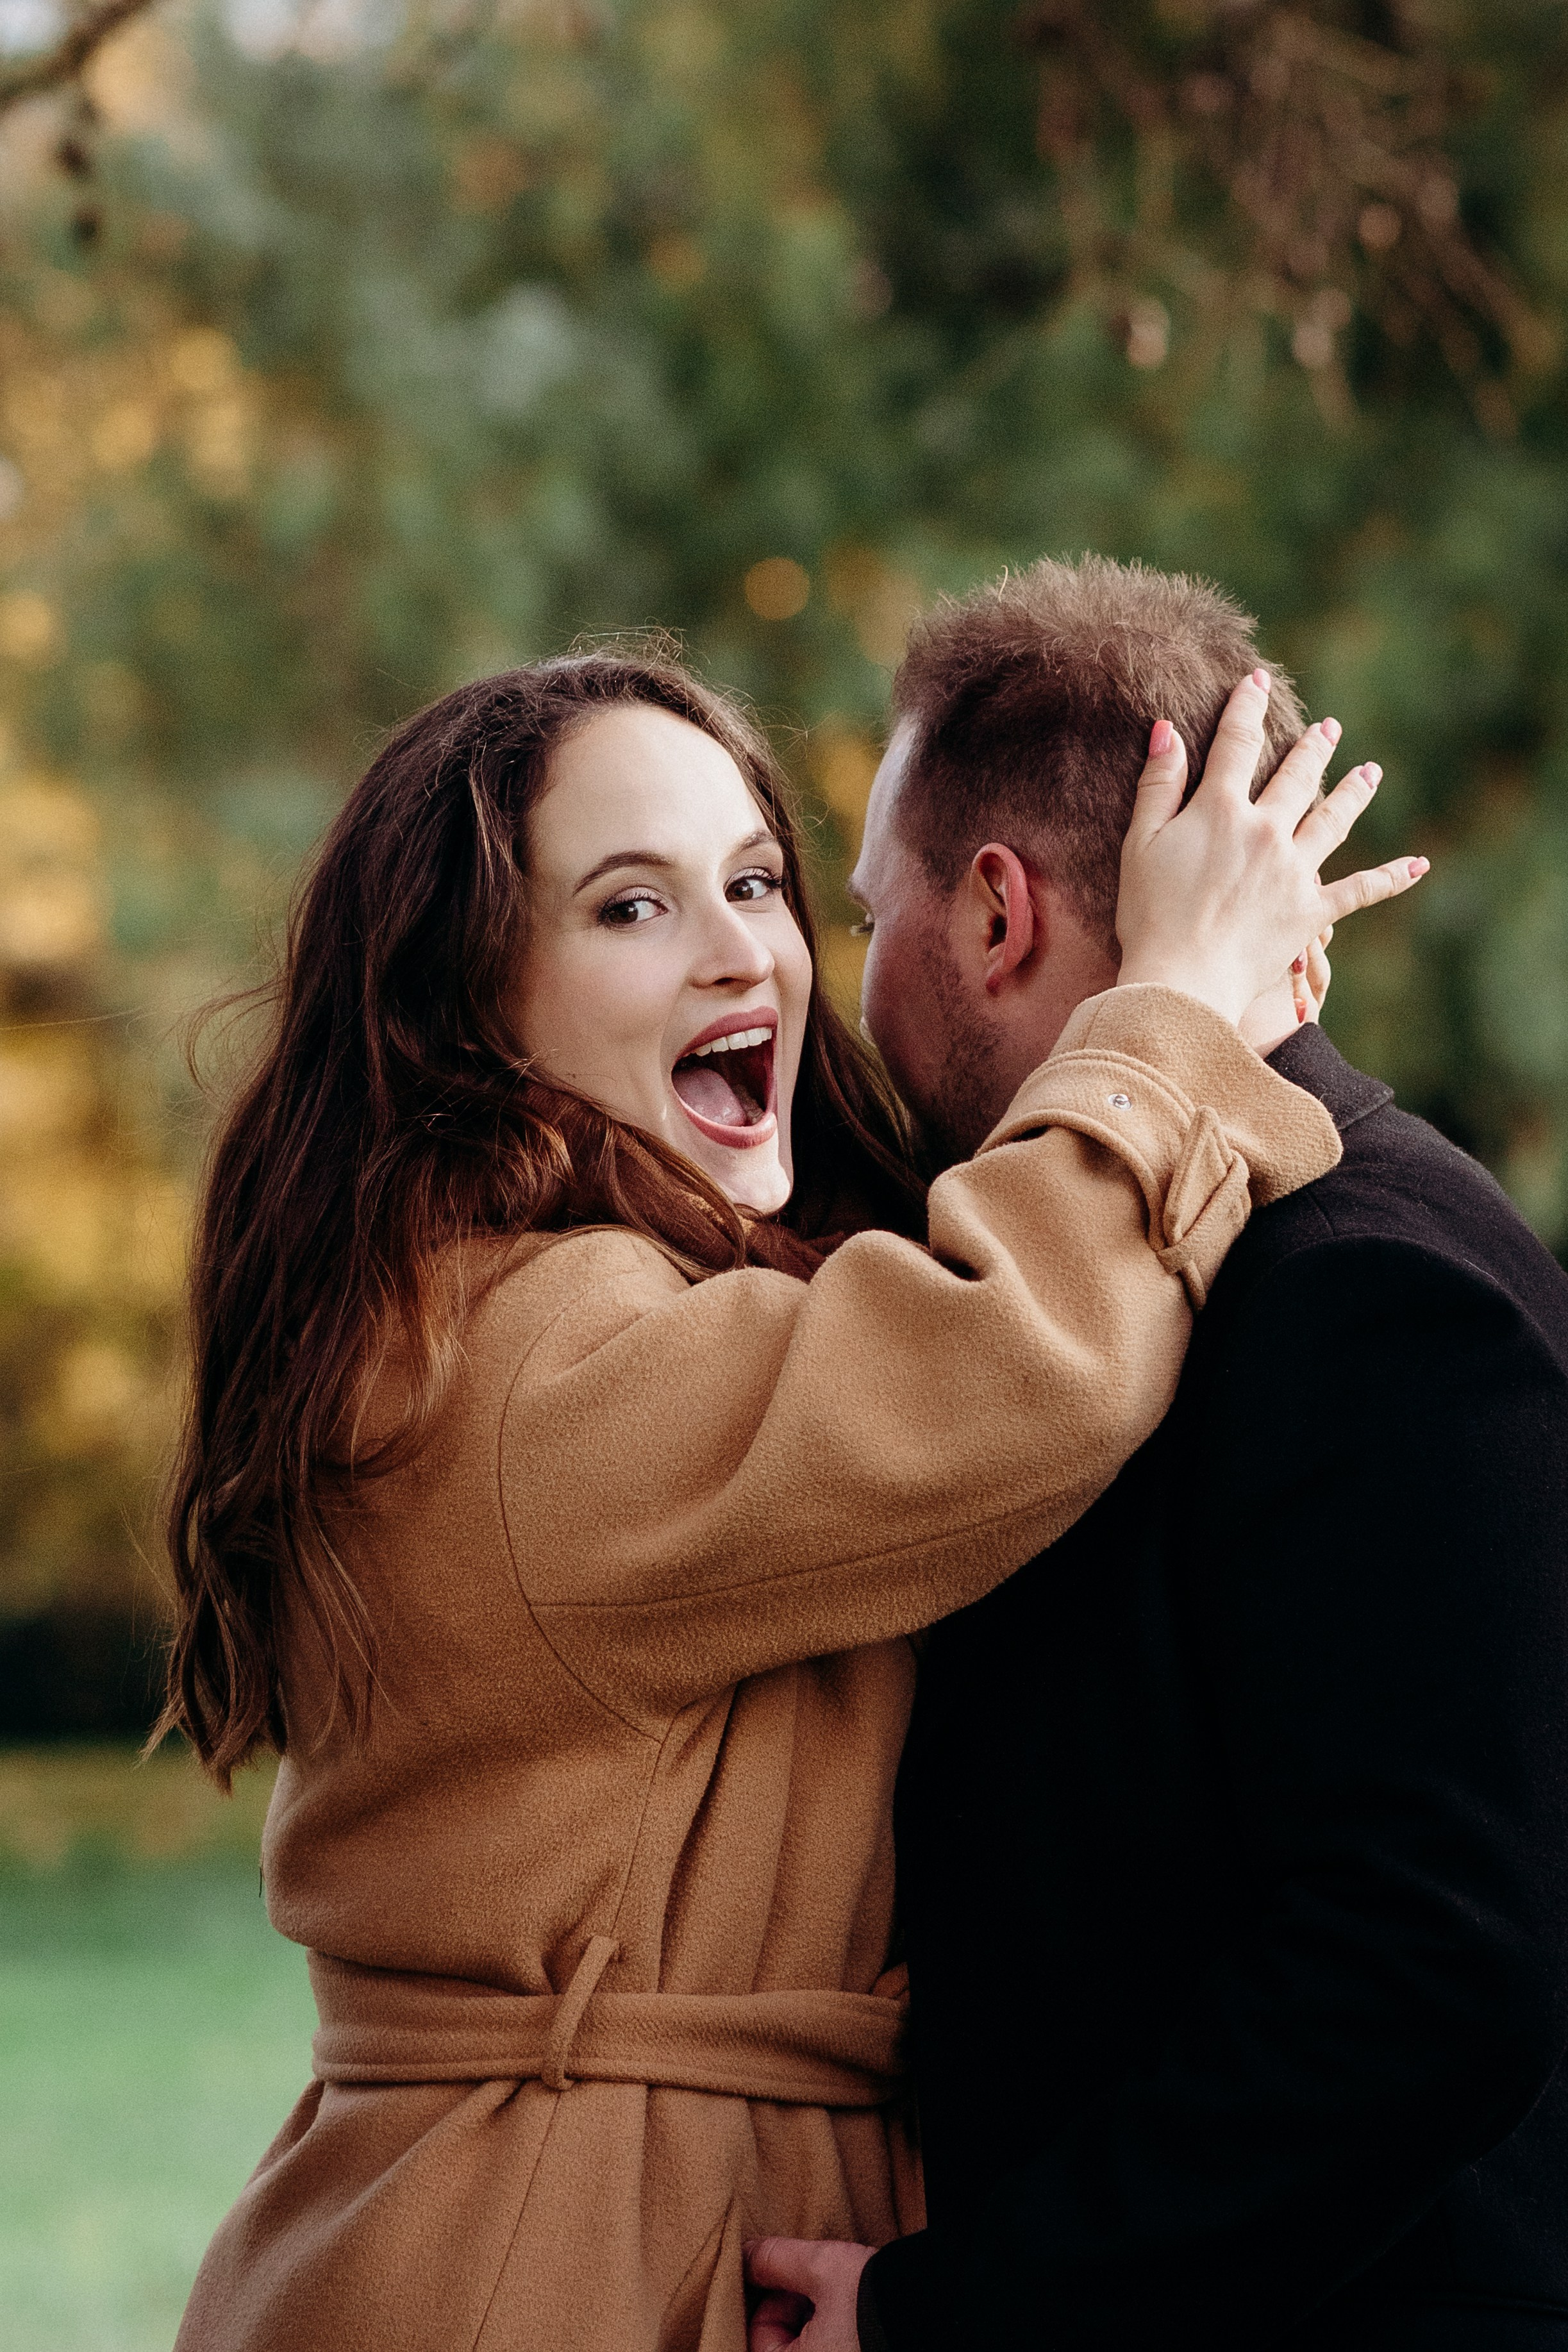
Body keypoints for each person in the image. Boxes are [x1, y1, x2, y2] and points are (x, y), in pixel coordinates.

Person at [158, 641, 1410, 2352]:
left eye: (755, 881)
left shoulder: (558, 1307)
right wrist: (1176, 1011)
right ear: (469, 1005)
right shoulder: (524, 1360)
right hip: (552, 2261)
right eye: (630, 907)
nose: (745, 947)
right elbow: (1006, 1371)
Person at [744, 556, 1568, 2352]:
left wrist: (967, 2310)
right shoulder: (1083, 1267)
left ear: (992, 916)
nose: (848, 983)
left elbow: (1435, 1979)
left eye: (872, 914)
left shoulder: (1376, 1289)